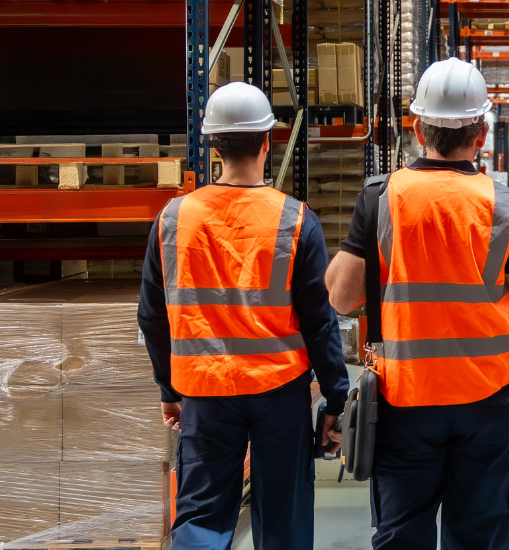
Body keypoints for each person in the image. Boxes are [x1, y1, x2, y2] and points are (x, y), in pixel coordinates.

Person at [323, 57, 509, 550]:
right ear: (481, 134)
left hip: (405, 398)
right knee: (479, 533)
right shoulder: (503, 205)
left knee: (402, 534)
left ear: (418, 128)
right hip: (487, 395)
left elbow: (340, 296)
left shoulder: (380, 198)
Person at [137, 81, 348, 550]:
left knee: (201, 518)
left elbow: (152, 317)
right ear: (267, 140)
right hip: (279, 394)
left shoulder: (173, 219)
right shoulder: (295, 220)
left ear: (213, 142)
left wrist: (169, 388)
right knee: (284, 519)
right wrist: (336, 398)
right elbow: (319, 321)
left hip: (204, 392)